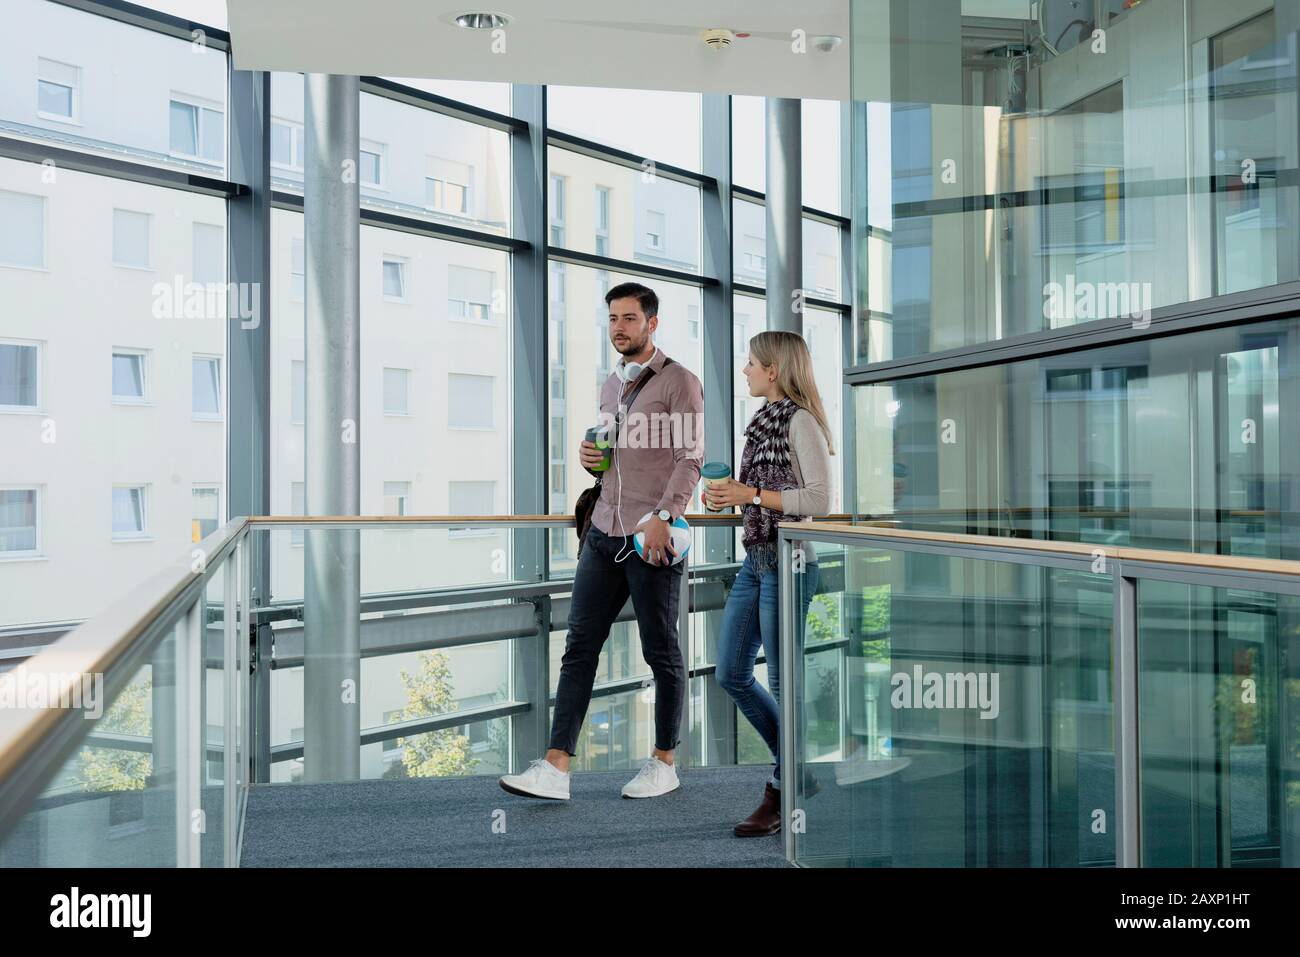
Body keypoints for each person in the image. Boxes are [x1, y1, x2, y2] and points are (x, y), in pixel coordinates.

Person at [499, 282, 704, 801]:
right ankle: (555, 768)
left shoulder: (680, 382)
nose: (619, 327)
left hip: (648, 537)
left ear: (651, 324)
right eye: (613, 318)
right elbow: (612, 456)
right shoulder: (611, 386)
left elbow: (690, 459)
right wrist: (595, 459)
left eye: (630, 318)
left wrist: (664, 515)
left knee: (661, 651)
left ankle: (664, 762)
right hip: (603, 533)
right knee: (578, 648)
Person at [705, 330, 834, 836]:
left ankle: (781, 790)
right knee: (730, 672)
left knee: (782, 680)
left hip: (790, 561)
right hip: (756, 560)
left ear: (774, 370)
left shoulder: (800, 422)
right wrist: (731, 499)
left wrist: (751, 493)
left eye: (752, 364)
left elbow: (819, 501)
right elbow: (761, 498)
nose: (746, 371)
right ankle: (797, 769)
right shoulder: (761, 423)